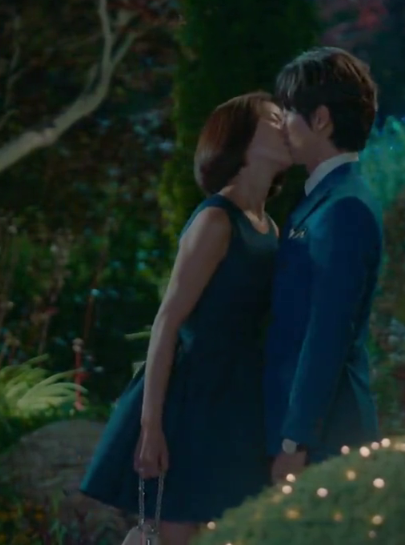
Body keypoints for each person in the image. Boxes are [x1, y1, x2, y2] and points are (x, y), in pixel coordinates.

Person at [80, 92, 291, 545]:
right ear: (240, 139)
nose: (286, 125)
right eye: (274, 119)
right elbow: (167, 322)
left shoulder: (269, 227)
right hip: (193, 399)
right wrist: (150, 427)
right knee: (178, 530)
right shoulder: (216, 220)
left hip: (239, 399)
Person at [264, 47, 384, 481]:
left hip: (326, 438)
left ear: (320, 119)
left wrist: (295, 441)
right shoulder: (321, 198)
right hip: (310, 431)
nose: (281, 123)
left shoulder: (344, 207)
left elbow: (327, 334)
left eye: (288, 111)